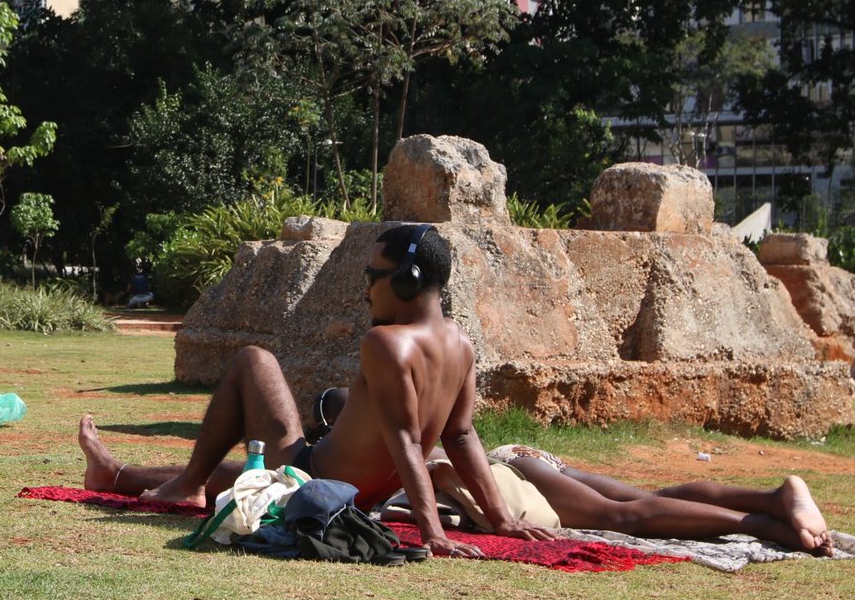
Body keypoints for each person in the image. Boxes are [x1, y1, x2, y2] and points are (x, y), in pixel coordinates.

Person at [77, 224, 557, 557]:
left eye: (373, 278)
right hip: (355, 496)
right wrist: (500, 518)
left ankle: (183, 484)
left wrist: (431, 530)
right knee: (241, 473)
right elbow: (462, 435)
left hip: (312, 479)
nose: (366, 290)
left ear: (407, 282)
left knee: (253, 360)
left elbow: (407, 440)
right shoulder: (460, 344)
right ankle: (119, 475)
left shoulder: (385, 343)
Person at [378, 443, 833, 555]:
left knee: (621, 516)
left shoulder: (388, 452)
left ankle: (760, 525)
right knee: (650, 500)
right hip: (522, 458)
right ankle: (773, 498)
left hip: (514, 469)